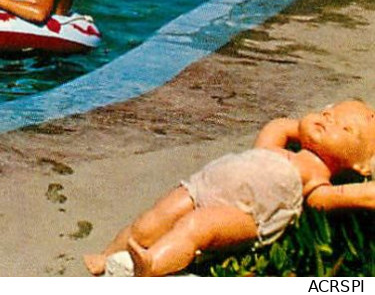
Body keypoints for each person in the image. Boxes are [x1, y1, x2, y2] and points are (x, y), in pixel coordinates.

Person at [84, 100, 375, 277]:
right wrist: (305, 126)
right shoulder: (273, 146)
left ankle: (153, 265)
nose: (328, 119)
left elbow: (340, 197)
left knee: (198, 226)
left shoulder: (314, 182)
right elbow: (278, 125)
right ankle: (107, 255)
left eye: (346, 129)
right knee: (149, 222)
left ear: (360, 166)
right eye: (328, 112)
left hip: (246, 216)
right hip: (203, 185)